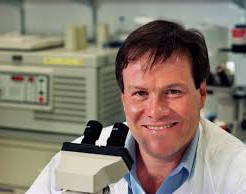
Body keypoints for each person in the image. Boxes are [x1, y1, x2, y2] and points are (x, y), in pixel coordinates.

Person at [26, 20, 246, 194]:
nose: (155, 111)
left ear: (202, 94)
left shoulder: (238, 172)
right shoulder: (78, 161)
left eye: (173, 92)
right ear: (124, 99)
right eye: (140, 93)